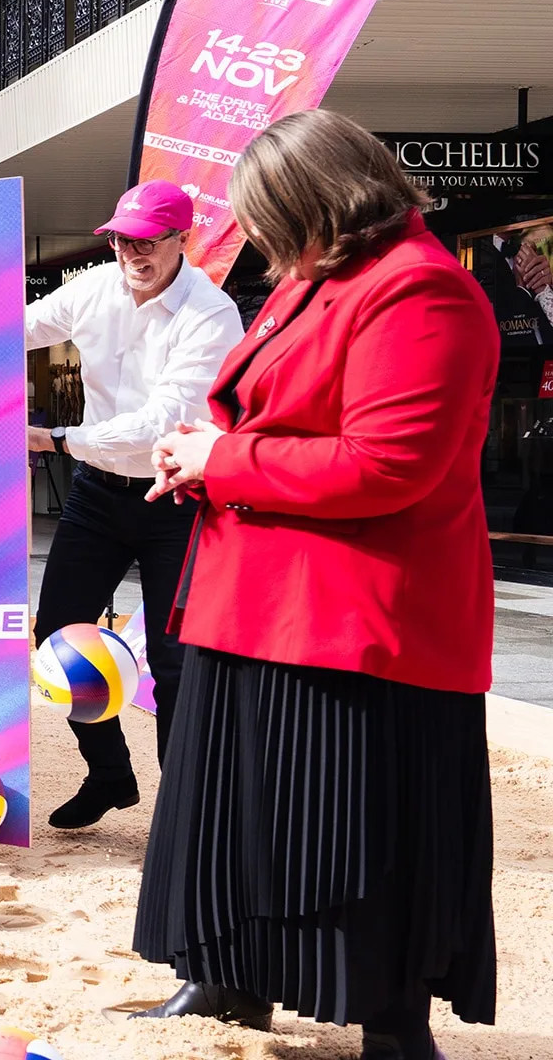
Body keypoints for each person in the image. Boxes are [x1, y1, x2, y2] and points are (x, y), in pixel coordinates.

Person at [132, 110, 497, 1058]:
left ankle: (392, 1027)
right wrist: (206, 452)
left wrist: (224, 459)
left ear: (316, 200)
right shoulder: (318, 277)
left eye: (263, 214)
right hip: (259, 598)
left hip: (355, 617)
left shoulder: (420, 288)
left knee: (350, 834)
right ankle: (227, 982)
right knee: (232, 810)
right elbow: (273, 414)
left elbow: (387, 465)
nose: (254, 234)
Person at [23, 180, 243, 829]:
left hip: (178, 496)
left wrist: (59, 439)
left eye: (147, 242)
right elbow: (16, 327)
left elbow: (163, 421)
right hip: (98, 494)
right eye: (121, 240)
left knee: (176, 662)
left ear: (182, 239)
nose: (131, 254)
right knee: (58, 637)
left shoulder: (211, 314)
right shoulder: (94, 287)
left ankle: (182, 816)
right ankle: (110, 774)